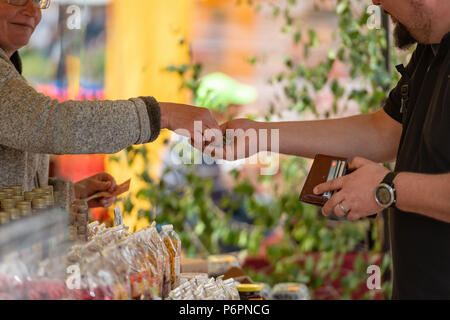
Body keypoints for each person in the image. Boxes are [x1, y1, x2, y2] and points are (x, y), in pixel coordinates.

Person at [221, 0, 450, 299]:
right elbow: (382, 132)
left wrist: (387, 189)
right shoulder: (430, 48)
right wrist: (262, 136)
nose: (375, 2)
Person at [0, 0, 220, 208]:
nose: (33, 11)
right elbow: (50, 123)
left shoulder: (11, 74)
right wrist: (162, 114)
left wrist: (71, 194)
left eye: (38, 1)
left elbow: (12, 198)